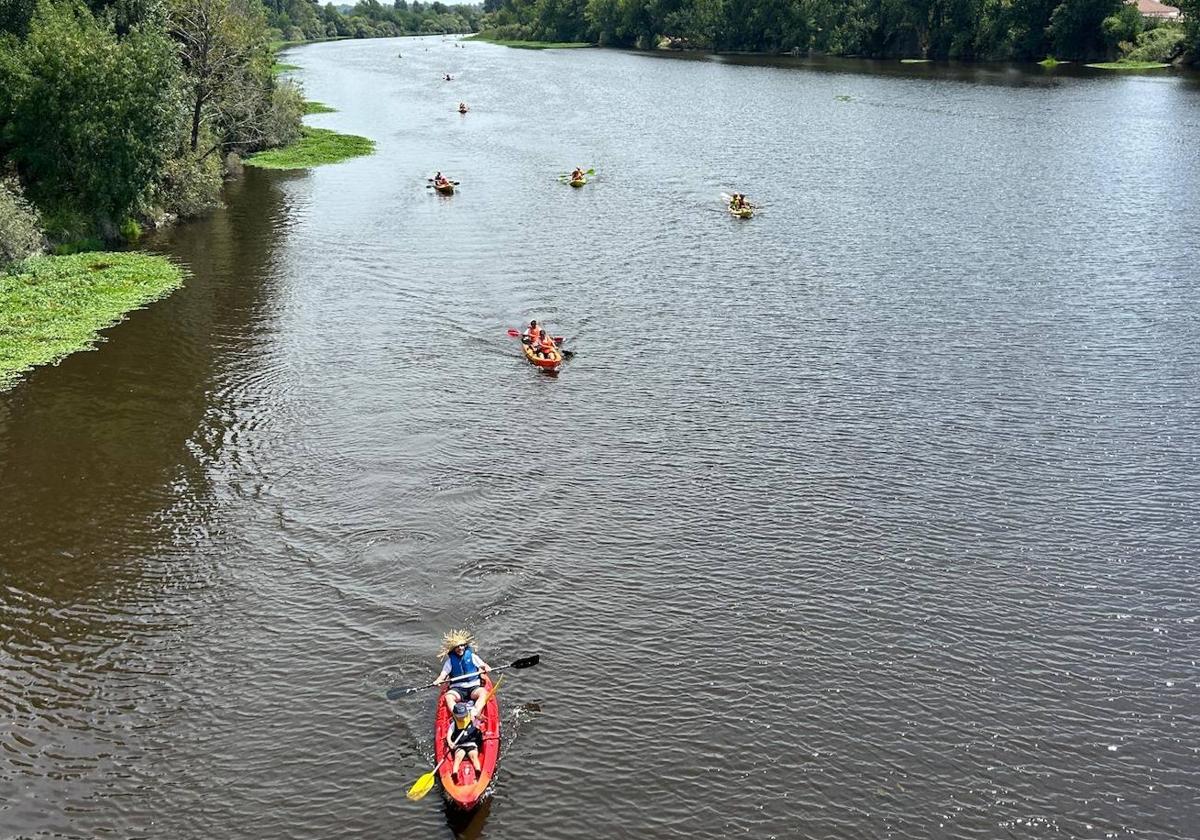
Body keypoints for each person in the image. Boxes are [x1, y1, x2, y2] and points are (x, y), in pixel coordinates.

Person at [433, 630, 491, 714]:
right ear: (453, 649)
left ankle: (475, 712)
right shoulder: (449, 662)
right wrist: (438, 680)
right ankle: (456, 714)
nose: (460, 648)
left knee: (483, 693)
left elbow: (483, 665)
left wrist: (487, 667)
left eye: (462, 645)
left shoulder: (472, 656)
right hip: (457, 689)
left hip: (473, 687)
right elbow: (443, 675)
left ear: (465, 646)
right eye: (457, 647)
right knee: (448, 697)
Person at [446, 700, 484, 779]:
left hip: (471, 744)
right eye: (460, 717)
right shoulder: (454, 724)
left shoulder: (472, 719)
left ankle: (478, 770)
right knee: (458, 757)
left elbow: (481, 720)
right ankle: (455, 773)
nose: (462, 718)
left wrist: (479, 717)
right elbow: (449, 734)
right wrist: (450, 742)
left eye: (463, 716)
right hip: (460, 745)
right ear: (455, 716)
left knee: (474, 755)